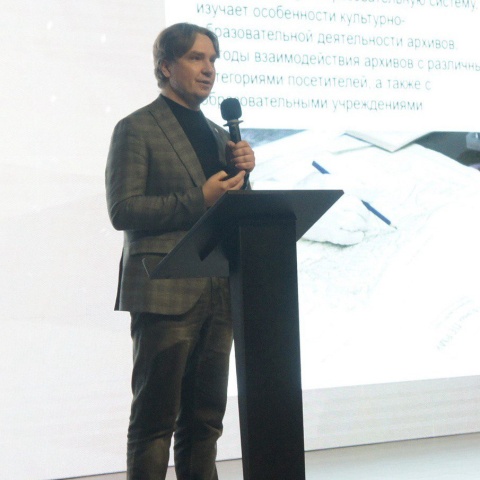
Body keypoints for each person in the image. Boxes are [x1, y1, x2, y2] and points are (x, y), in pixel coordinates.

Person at [105, 22, 255, 480]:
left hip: (217, 293)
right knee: (154, 424)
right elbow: (123, 210)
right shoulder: (136, 128)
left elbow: (232, 212)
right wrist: (199, 199)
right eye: (196, 58)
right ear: (166, 66)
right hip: (165, 293)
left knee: (205, 423)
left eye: (212, 60)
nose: (208, 69)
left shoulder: (219, 135)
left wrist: (246, 177)